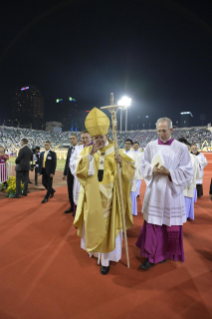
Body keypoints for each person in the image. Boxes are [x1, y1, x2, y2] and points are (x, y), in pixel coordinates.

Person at [74, 108, 135, 275]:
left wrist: (122, 163)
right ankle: (95, 252)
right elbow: (79, 170)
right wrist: (91, 154)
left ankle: (106, 260)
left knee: (108, 230)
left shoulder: (116, 151)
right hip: (93, 198)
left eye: (100, 137)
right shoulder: (88, 150)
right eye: (95, 138)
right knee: (93, 226)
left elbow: (131, 169)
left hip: (110, 199)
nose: (98, 140)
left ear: (106, 135)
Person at [136, 117, 193, 270]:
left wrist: (170, 172)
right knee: (153, 225)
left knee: (169, 225)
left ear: (171, 130)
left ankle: (166, 254)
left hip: (171, 192)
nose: (161, 134)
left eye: (164, 131)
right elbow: (143, 165)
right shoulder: (150, 146)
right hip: (155, 191)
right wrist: (151, 170)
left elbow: (188, 171)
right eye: (159, 131)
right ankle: (151, 256)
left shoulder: (181, 148)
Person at [70, 130, 92, 215]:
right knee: (78, 197)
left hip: (90, 179)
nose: (85, 139)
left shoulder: (94, 148)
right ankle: (79, 216)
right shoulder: (77, 149)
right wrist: (78, 171)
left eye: (87, 137)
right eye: (83, 138)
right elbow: (71, 162)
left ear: (90, 138)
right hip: (79, 178)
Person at [178, 138, 200, 221]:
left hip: (190, 182)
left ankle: (186, 215)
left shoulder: (194, 158)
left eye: (187, 148)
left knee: (187, 199)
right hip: (180, 182)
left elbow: (197, 170)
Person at [121, 139, 138, 216]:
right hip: (122, 177)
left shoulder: (134, 155)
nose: (127, 145)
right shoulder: (121, 153)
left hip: (130, 177)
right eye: (126, 143)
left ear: (131, 145)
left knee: (131, 194)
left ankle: (131, 211)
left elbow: (135, 166)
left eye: (128, 144)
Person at [63, 134, 78, 214]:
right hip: (69, 174)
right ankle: (72, 206)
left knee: (76, 192)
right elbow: (67, 162)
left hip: (77, 174)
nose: (71, 140)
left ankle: (77, 209)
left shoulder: (80, 149)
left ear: (77, 139)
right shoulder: (70, 149)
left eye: (73, 138)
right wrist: (65, 173)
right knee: (70, 191)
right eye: (70, 139)